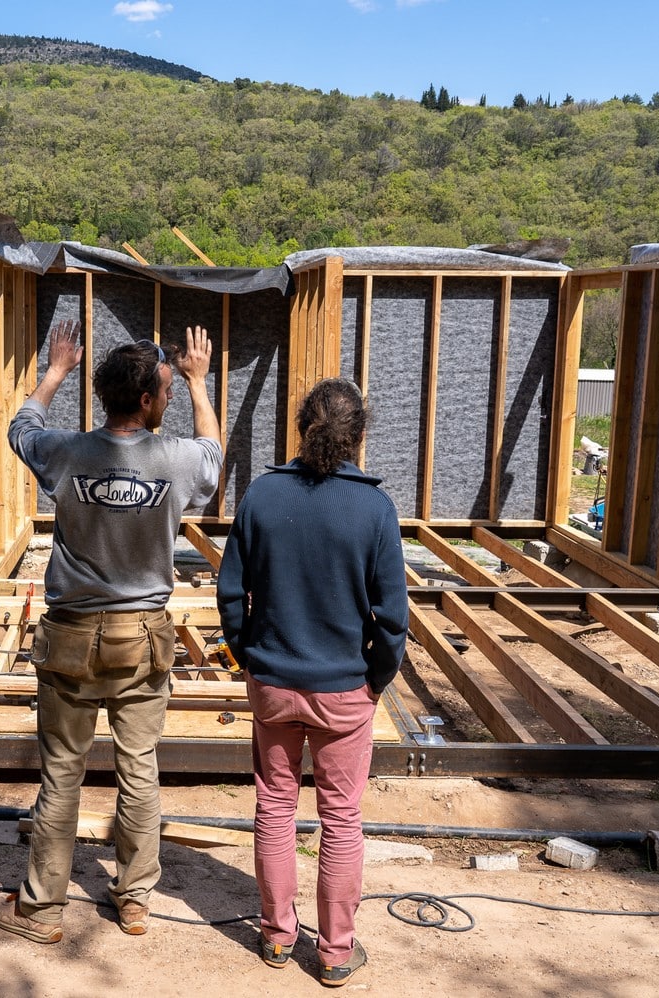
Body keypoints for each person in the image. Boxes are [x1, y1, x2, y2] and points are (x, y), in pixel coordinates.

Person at [0, 319, 223, 944]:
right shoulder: (173, 461)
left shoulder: (69, 453)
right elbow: (213, 454)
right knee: (139, 769)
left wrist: (57, 370)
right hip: (141, 639)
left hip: (70, 638)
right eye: (167, 389)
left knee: (62, 773)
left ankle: (41, 909)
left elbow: (21, 429)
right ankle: (136, 900)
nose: (172, 395)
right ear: (145, 402)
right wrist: (202, 385)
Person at [217, 378, 409, 988]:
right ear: (359, 435)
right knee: (341, 818)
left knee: (274, 806)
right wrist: (375, 680)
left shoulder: (263, 496)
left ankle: (276, 938)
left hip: (273, 680)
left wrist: (250, 658)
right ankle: (334, 952)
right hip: (344, 688)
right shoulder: (374, 509)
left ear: (302, 426)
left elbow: (229, 596)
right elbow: (393, 619)